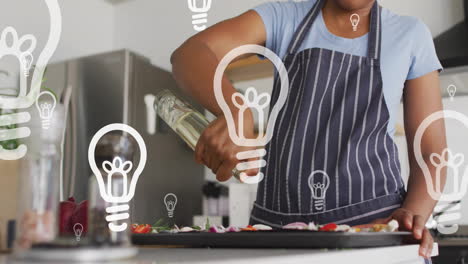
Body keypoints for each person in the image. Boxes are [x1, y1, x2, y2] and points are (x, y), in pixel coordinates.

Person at [171, 0, 447, 259]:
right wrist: (235, 109)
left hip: (374, 232)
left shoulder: (410, 35)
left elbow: (430, 148)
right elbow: (191, 53)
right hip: (277, 237)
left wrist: (412, 212)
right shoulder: (284, 17)